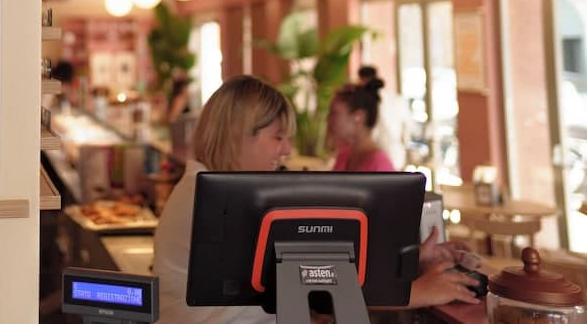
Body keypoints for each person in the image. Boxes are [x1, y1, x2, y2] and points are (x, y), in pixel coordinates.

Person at [153, 75, 479, 324]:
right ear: (238, 135)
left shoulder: (208, 189)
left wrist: (407, 262)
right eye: (277, 137)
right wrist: (416, 292)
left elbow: (316, 269)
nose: (286, 150)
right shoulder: (213, 201)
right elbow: (315, 281)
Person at [327, 78, 397, 172]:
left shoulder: (380, 165)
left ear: (358, 117)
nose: (328, 119)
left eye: (334, 113)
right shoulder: (344, 155)